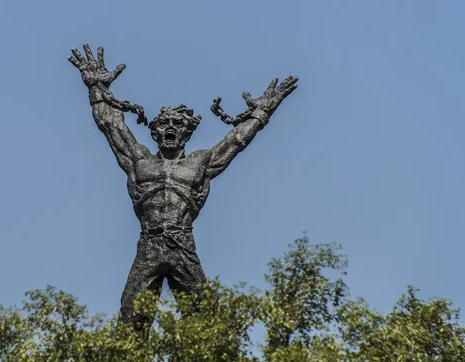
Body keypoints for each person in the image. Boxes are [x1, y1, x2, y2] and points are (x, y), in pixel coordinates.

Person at [68, 44, 298, 331]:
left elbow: (236, 141)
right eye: (163, 124)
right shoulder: (139, 162)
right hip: (149, 245)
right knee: (130, 320)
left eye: (176, 124)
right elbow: (111, 125)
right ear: (154, 132)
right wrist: (96, 88)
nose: (169, 128)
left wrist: (262, 112)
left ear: (187, 131)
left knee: (206, 323)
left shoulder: (199, 163)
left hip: (182, 244)